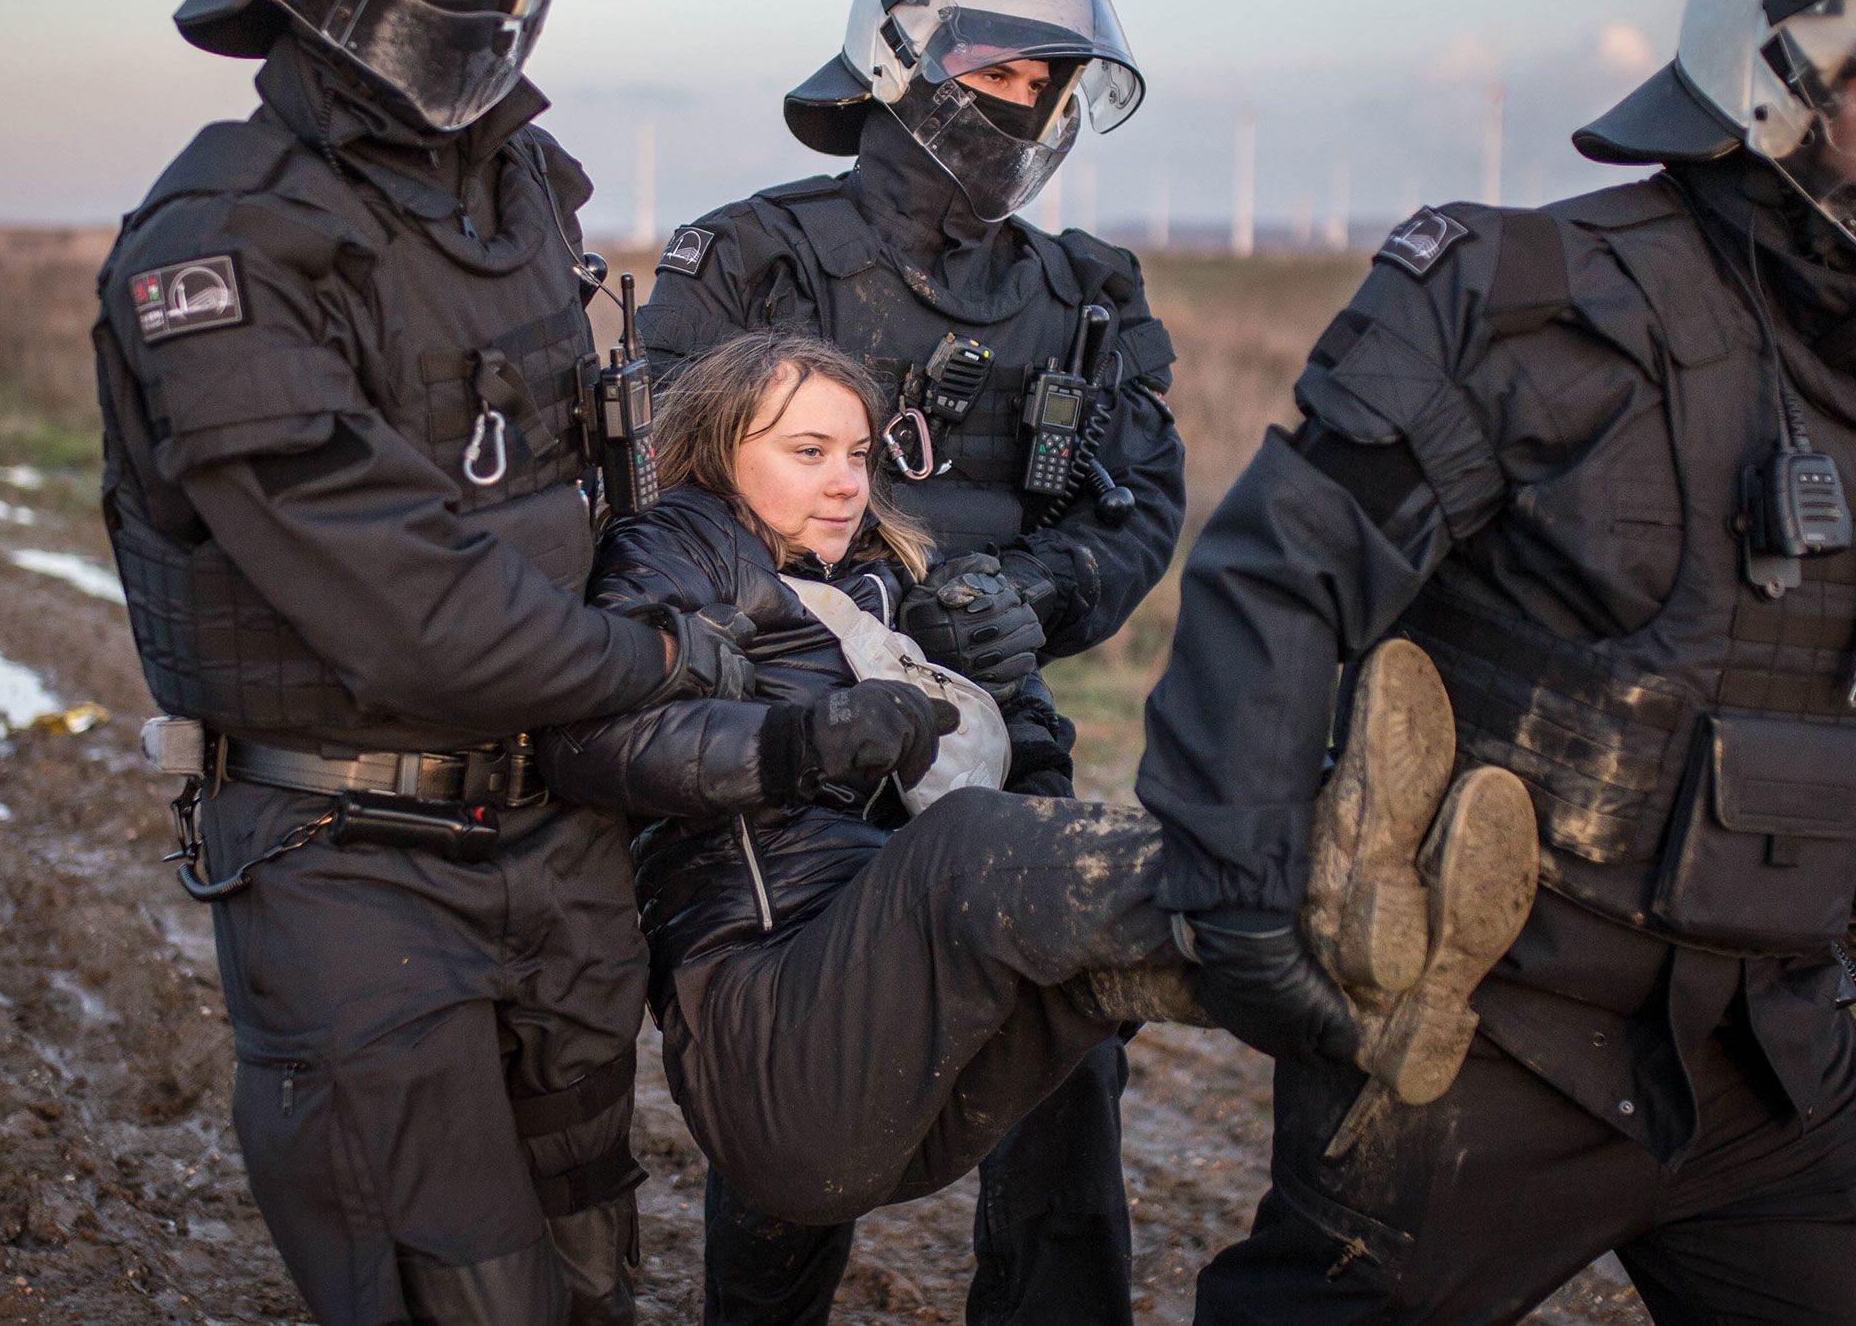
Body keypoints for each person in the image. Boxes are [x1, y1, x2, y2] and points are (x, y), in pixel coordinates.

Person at [1135, 0, 1856, 1324]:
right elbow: (1272, 581)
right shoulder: (1528, 299)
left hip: (1774, 1066)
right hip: (1486, 1042)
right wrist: (1233, 902)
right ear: (1787, 72)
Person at [95, 0, 744, 1326]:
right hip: (351, 863)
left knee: (593, 1257)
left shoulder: (531, 202)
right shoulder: (227, 235)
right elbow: (397, 589)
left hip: (560, 841)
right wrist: (663, 657)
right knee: (457, 1288)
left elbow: (604, 486)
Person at [533, 330, 1529, 1253]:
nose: (846, 483)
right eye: (809, 451)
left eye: (861, 453)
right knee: (966, 849)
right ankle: (1321, 848)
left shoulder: (881, 589)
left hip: (913, 1078)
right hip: (774, 1048)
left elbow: (1020, 794)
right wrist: (808, 739)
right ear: (716, 447)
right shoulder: (672, 547)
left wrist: (1006, 694)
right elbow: (602, 738)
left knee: (1082, 962)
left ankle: (1371, 986)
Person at [636, 0, 1188, 1324]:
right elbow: (669, 491)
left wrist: (1027, 603)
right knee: (796, 1111)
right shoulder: (754, 254)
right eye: (1000, 66)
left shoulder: (1084, 294)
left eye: (1053, 78)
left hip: (1006, 718)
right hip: (794, 729)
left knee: (1072, 1059)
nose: (1029, 101)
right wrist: (846, 627)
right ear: (906, 58)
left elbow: (1133, 507)